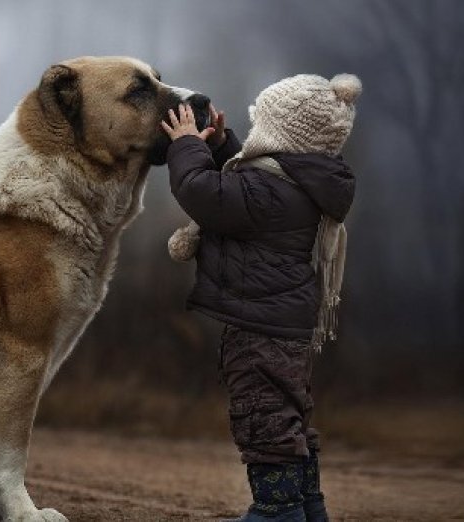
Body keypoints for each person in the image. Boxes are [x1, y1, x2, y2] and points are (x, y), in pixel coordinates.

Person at [160, 74, 361, 522]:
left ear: (280, 133)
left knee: (263, 418)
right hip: (285, 325)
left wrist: (186, 145)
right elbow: (247, 186)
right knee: (288, 417)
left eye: (260, 124)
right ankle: (307, 508)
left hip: (259, 330)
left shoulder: (268, 192)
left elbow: (201, 191)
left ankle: (276, 513)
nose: (253, 134)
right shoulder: (299, 183)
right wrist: (219, 145)